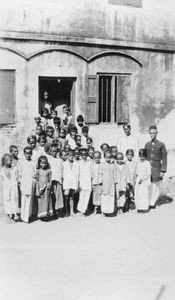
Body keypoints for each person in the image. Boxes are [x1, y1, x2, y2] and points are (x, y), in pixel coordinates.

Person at [144, 125, 167, 209]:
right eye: (150, 133)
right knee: (148, 185)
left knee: (155, 186)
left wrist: (162, 171)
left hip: (156, 168)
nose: (152, 135)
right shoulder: (147, 144)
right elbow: (145, 156)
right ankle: (148, 201)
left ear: (157, 133)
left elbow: (164, 158)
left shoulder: (161, 145)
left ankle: (153, 202)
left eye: (154, 133)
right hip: (148, 168)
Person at [18, 146, 36, 223]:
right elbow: (20, 173)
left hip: (30, 182)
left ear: (31, 154)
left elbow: (35, 172)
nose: (28, 155)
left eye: (29, 154)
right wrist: (20, 181)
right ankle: (23, 216)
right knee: (24, 198)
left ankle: (28, 216)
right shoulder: (21, 163)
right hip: (24, 182)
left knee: (30, 199)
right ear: (24, 154)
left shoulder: (33, 162)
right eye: (26, 154)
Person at [0, 153, 19, 223]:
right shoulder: (3, 169)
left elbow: (16, 175)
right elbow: (4, 177)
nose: (11, 162)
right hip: (7, 188)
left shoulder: (14, 168)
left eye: (11, 160)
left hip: (13, 188)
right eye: (8, 161)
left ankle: (13, 216)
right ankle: (8, 217)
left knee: (14, 201)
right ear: (4, 162)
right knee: (7, 202)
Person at [62, 150, 79, 216]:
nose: (71, 157)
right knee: (66, 197)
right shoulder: (64, 163)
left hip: (73, 182)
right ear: (67, 156)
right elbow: (63, 175)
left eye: (72, 155)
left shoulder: (76, 164)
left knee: (72, 197)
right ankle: (66, 212)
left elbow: (77, 174)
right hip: (66, 183)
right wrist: (64, 184)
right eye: (69, 156)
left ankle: (72, 211)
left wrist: (77, 185)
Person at [49, 144, 64, 216]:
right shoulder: (49, 159)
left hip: (58, 180)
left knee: (58, 195)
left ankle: (58, 210)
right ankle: (52, 211)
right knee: (52, 196)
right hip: (51, 180)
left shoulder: (60, 160)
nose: (54, 153)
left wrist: (62, 180)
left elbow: (61, 171)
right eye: (53, 151)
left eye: (55, 151)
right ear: (50, 152)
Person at [77, 148, 92, 215]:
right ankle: (80, 209)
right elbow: (77, 173)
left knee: (87, 196)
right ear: (81, 155)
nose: (84, 156)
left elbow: (92, 172)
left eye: (85, 155)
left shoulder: (90, 162)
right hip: (81, 181)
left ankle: (84, 209)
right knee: (81, 196)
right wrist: (78, 182)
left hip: (88, 181)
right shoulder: (79, 162)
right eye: (82, 155)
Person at [100, 151, 116, 216]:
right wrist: (101, 183)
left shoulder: (113, 165)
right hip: (105, 184)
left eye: (109, 157)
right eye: (107, 157)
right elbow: (100, 174)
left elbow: (115, 174)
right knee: (105, 197)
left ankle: (109, 211)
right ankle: (104, 211)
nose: (108, 159)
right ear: (104, 157)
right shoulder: (102, 164)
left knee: (110, 197)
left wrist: (115, 182)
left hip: (111, 184)